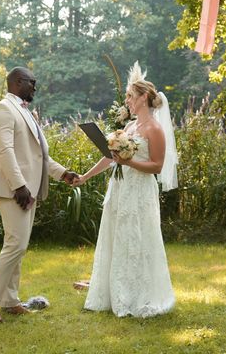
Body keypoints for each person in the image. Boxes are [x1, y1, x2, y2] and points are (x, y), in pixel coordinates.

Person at [73, 62, 178, 318]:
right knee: (117, 237)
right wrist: (85, 177)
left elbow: (156, 166)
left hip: (141, 190)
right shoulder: (129, 128)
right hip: (120, 188)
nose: (127, 101)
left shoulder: (155, 129)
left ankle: (138, 296)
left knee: (138, 239)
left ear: (144, 98)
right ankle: (115, 294)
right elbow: (110, 158)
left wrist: (128, 162)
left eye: (131, 96)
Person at [0, 67, 79, 324]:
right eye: (32, 82)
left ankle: (11, 301)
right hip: (13, 190)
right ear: (17, 82)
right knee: (15, 245)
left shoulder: (25, 111)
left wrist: (62, 173)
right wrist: (20, 186)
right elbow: (4, 151)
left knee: (18, 247)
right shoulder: (2, 109)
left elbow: (40, 156)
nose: (35, 87)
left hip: (27, 190)